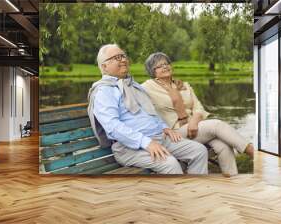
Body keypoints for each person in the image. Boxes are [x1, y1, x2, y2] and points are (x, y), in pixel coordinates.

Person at [87, 44, 208, 174]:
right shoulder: (104, 91)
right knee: (170, 163)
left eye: (123, 56)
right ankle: (178, 194)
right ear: (104, 66)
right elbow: (112, 126)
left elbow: (149, 113)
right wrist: (146, 143)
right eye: (117, 57)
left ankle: (195, 191)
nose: (123, 60)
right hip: (130, 148)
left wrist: (164, 127)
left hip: (159, 138)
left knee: (199, 151)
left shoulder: (133, 85)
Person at [141, 52, 254, 177]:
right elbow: (133, 99)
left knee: (223, 145)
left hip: (194, 127)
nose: (165, 67)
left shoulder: (183, 85)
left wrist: (195, 120)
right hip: (174, 133)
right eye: (159, 65)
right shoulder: (147, 87)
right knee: (216, 125)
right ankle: (251, 151)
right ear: (152, 71)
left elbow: (198, 107)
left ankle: (233, 181)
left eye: (166, 63)